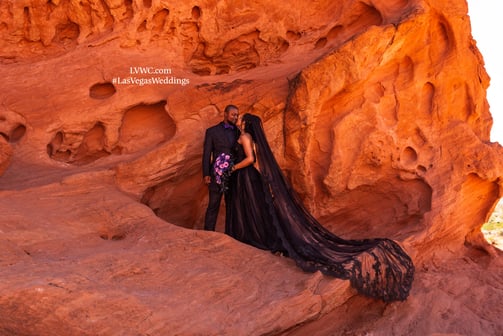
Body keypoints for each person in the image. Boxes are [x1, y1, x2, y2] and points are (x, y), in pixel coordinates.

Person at [226, 113, 414, 302]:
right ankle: (257, 236)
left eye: (240, 118)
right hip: (249, 177)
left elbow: (250, 159)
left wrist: (232, 168)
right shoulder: (252, 138)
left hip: (245, 176)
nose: (238, 120)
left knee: (252, 208)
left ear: (245, 123)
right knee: (257, 209)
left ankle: (254, 237)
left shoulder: (244, 137)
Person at [202, 105, 240, 231]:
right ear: (225, 114)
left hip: (233, 174)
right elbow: (207, 154)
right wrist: (206, 174)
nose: (235, 117)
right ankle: (208, 232)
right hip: (216, 174)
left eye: (237, 115)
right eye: (233, 114)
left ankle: (231, 233)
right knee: (213, 204)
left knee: (232, 205)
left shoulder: (238, 131)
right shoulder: (212, 131)